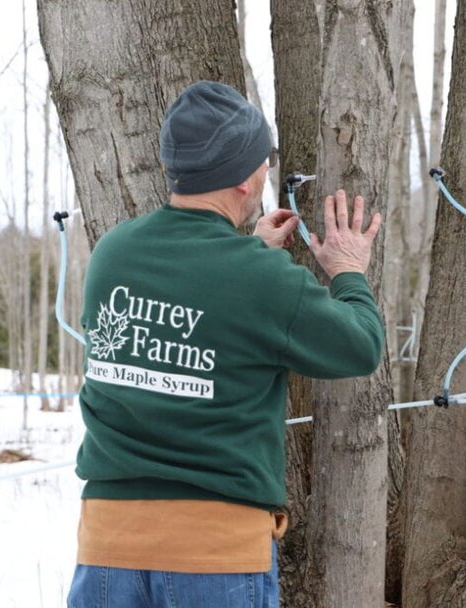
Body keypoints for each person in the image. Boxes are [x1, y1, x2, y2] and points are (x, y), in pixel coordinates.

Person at [66, 80, 384, 608]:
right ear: (244, 178)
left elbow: (193, 301)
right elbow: (360, 346)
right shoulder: (259, 278)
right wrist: (347, 271)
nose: (264, 173)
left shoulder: (113, 253)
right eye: (263, 162)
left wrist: (250, 254)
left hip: (107, 549)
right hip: (213, 556)